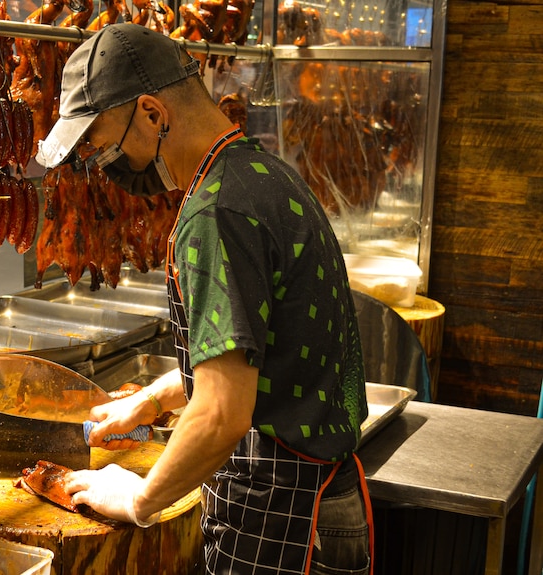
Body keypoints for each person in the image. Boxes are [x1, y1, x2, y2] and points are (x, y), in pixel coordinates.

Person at [35, 23, 372, 575]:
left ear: (151, 113)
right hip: (315, 504)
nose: (102, 162)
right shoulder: (260, 172)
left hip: (281, 523)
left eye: (100, 142)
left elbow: (221, 413)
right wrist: (156, 399)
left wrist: (138, 500)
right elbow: (260, 349)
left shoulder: (216, 214)